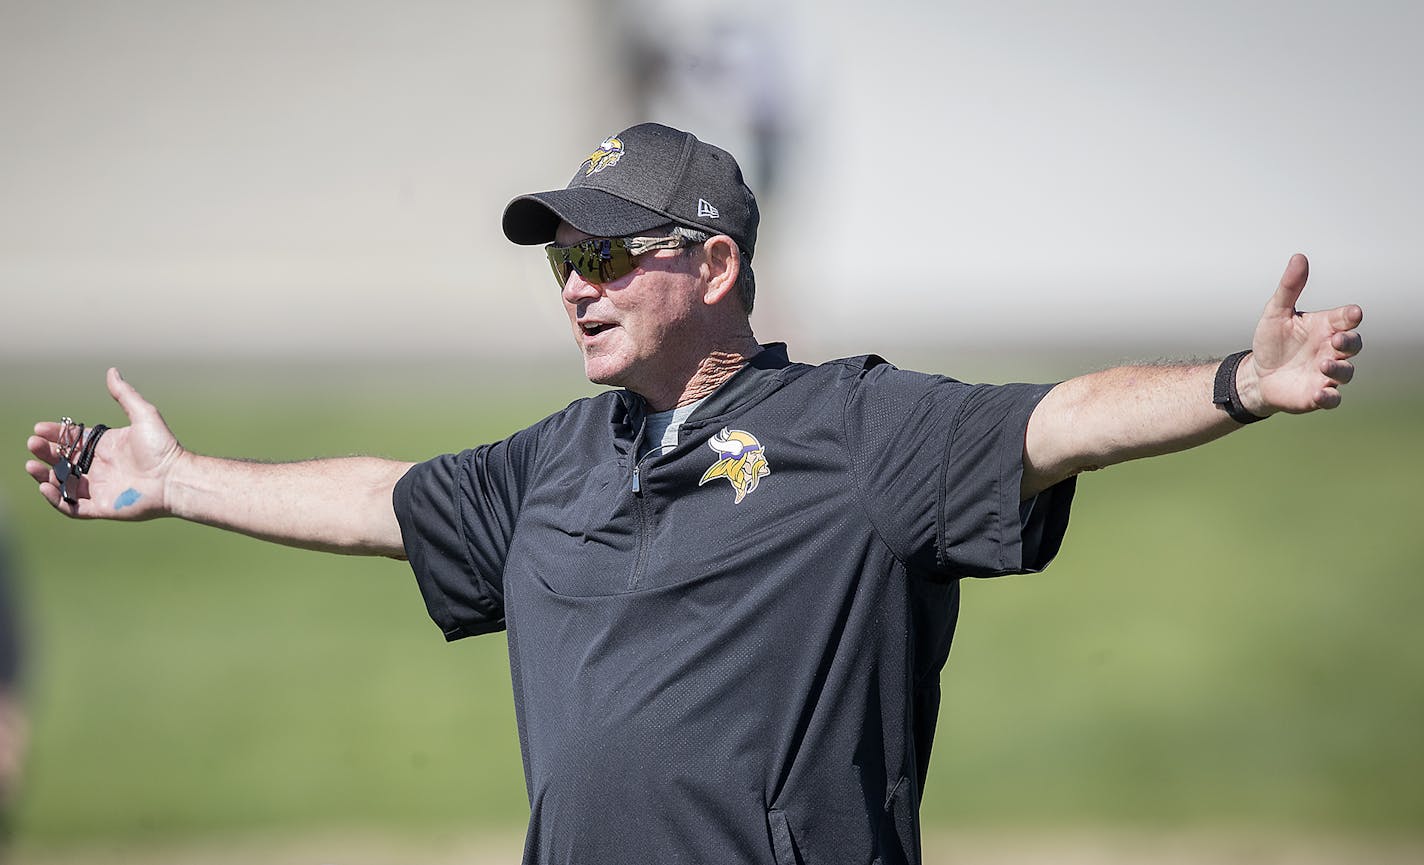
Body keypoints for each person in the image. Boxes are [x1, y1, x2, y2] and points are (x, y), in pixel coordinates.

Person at [24, 122, 1363, 865]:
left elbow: (1062, 421)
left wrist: (1242, 379)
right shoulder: (556, 456)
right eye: (560, 259)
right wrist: (177, 474)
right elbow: (388, 501)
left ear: (715, 265)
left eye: (608, 250)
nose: (578, 283)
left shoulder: (860, 431)